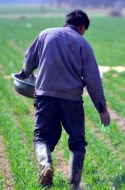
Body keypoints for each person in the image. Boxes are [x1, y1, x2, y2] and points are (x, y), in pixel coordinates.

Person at [19, 9, 110, 189]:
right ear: (82, 27)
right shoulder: (83, 44)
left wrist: (24, 74)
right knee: (77, 140)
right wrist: (102, 108)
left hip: (45, 96)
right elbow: (93, 80)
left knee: (41, 137)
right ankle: (74, 184)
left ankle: (46, 164)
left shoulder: (45, 34)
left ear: (66, 22)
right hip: (72, 99)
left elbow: (29, 61)